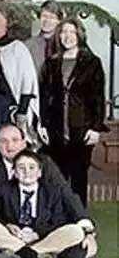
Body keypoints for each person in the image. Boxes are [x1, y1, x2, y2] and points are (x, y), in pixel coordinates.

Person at [0, 150, 98, 258]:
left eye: (31, 167)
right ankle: (40, 256)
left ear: (39, 173)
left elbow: (58, 221)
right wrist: (8, 226)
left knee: (75, 231)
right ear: (14, 173)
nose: (26, 172)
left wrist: (37, 234)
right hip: (14, 237)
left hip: (43, 239)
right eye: (21, 168)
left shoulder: (52, 192)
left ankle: (22, 254)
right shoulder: (3, 190)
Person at [40, 19, 108, 205]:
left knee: (78, 179)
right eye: (63, 32)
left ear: (79, 35)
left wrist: (96, 128)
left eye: (71, 32)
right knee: (56, 179)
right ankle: (57, 217)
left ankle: (80, 218)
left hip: (82, 130)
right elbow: (44, 96)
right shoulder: (51, 63)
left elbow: (98, 98)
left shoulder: (92, 62)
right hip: (55, 130)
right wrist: (43, 124)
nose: (67, 36)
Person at [0, 8, 42, 122]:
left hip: (15, 108)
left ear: (7, 25)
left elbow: (28, 81)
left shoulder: (17, 48)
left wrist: (22, 111)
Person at [25, 0, 62, 74]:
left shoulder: (64, 44)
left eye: (52, 17)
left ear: (58, 21)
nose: (47, 21)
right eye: (44, 16)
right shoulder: (28, 46)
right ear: (39, 18)